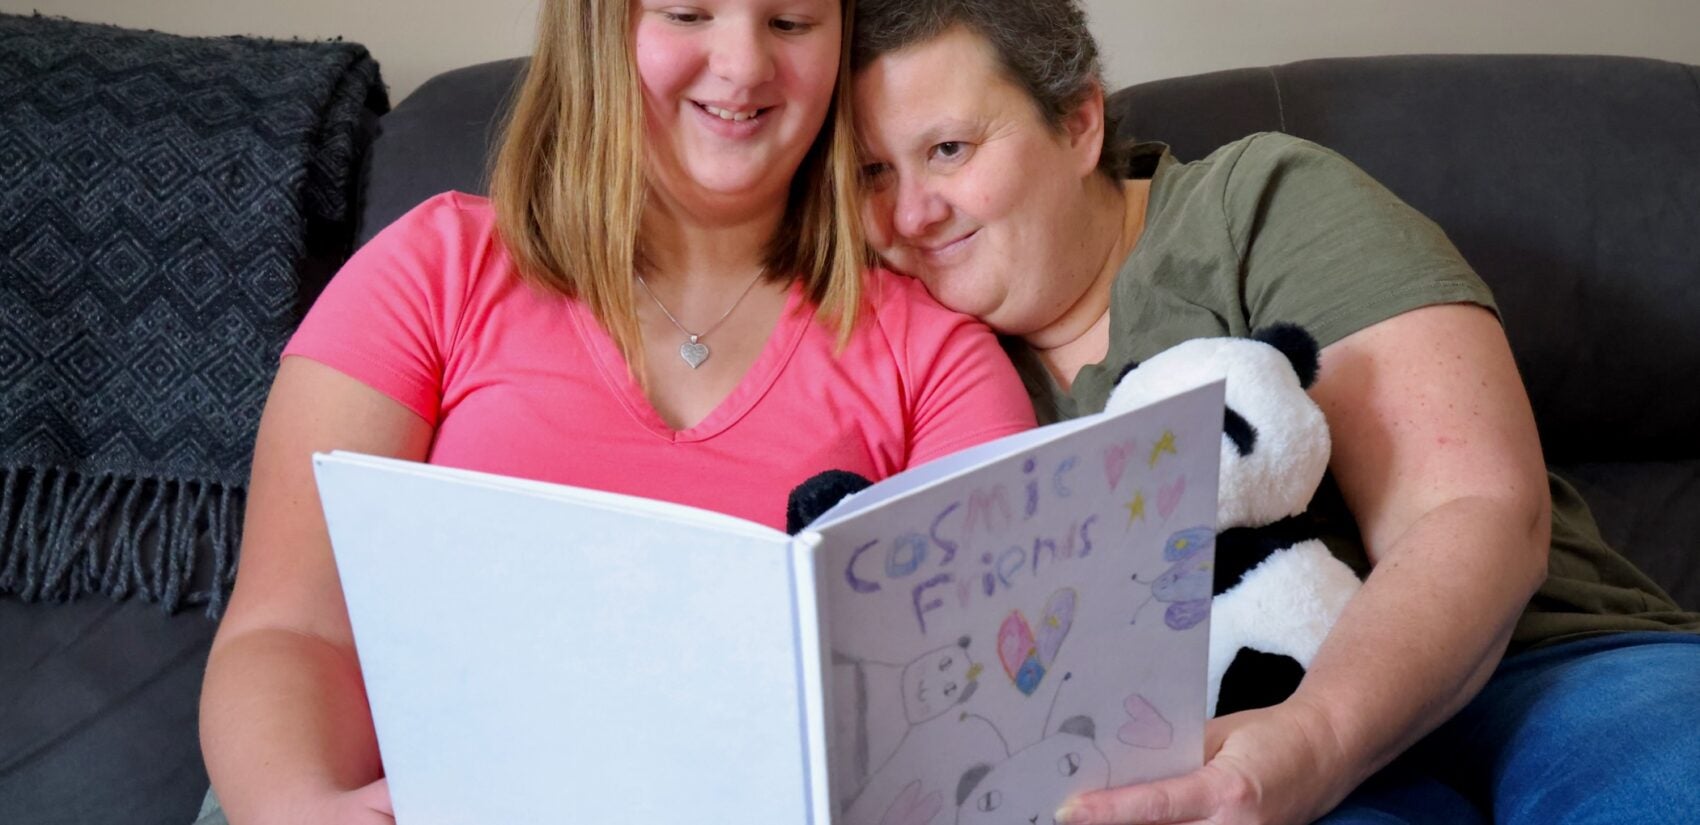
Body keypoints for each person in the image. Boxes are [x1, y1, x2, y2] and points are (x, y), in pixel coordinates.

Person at [848, 1, 1700, 823]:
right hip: (1221, 750)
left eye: (950, 150)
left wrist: (1317, 735)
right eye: (874, 172)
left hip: (1548, 665)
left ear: (1078, 123)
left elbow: (1473, 510)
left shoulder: (1252, 206)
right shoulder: (906, 362)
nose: (911, 213)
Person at [197, 1, 1037, 822]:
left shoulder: (938, 358)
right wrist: (302, 806)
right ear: (601, 27)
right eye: (686, 14)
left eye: (791, 23)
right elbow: (292, 630)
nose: (745, 65)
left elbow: (982, 708)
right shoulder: (432, 272)